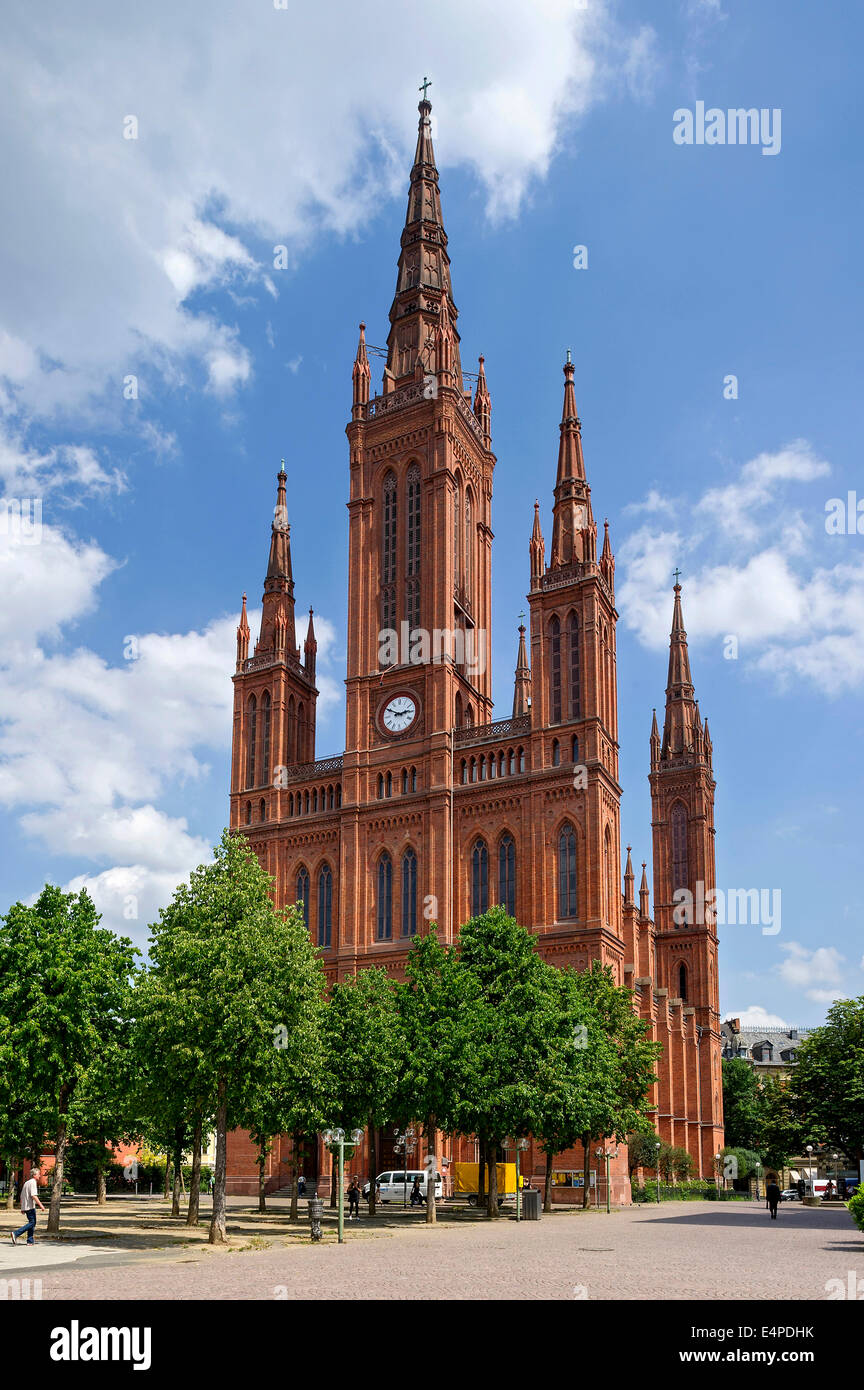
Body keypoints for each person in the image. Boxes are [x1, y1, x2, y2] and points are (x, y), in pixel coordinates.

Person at [11, 1167, 45, 1246]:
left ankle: (30, 1241)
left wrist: (22, 1207)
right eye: (38, 1174)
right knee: (32, 1223)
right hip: (30, 1207)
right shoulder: (33, 1182)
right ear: (34, 1175)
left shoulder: (27, 1182)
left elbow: (21, 1196)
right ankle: (16, 1233)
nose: (39, 1176)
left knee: (32, 1223)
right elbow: (33, 1195)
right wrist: (41, 1205)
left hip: (26, 1206)